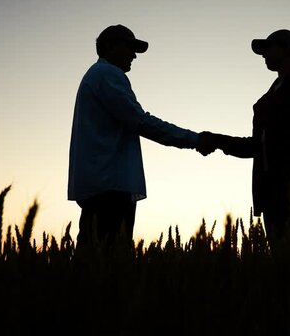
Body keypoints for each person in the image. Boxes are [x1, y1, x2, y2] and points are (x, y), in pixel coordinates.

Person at [68, 24, 215, 251]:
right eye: (129, 47)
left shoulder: (97, 75)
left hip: (102, 184)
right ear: (109, 47)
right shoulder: (107, 74)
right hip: (110, 187)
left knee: (95, 261)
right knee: (108, 264)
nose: (134, 55)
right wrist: (194, 139)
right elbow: (140, 121)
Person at [209, 29, 290, 259]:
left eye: (268, 48)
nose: (263, 55)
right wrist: (217, 140)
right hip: (275, 196)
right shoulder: (269, 99)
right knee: (285, 271)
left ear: (286, 50)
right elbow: (258, 147)